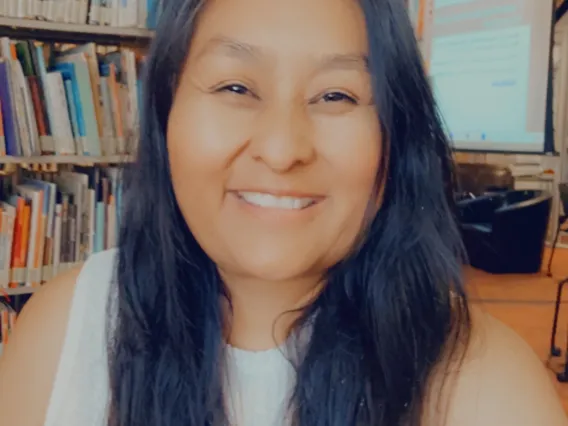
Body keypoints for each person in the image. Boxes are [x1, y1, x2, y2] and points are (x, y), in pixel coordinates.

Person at [0, 0, 566, 425]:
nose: (282, 148)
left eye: (336, 96)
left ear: (396, 134)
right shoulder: (65, 331)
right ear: (167, 111)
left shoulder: (488, 389)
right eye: (236, 86)